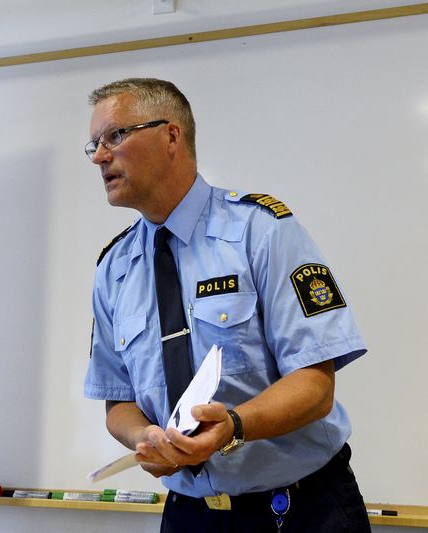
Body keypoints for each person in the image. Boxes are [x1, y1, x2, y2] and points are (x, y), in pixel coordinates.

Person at [83, 78, 370, 532]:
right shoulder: (114, 268)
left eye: (115, 136)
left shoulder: (262, 231)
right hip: (189, 515)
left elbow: (316, 384)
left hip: (299, 510)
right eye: (95, 144)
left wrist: (235, 425)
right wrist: (144, 438)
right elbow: (118, 401)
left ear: (171, 135)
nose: (100, 156)